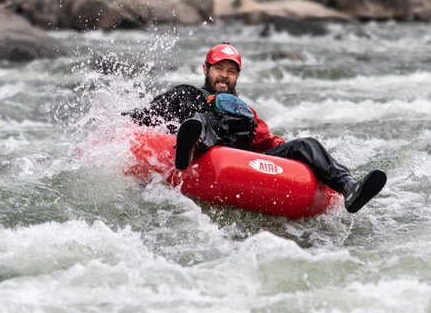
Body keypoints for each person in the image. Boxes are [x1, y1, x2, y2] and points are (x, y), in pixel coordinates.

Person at [126, 43, 386, 213]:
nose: (225, 75)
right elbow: (141, 118)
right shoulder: (184, 95)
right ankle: (190, 144)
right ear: (206, 68)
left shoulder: (245, 112)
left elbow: (269, 143)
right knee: (201, 121)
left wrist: (300, 160)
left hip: (240, 163)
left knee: (307, 145)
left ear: (237, 76)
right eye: (219, 69)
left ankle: (350, 187)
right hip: (203, 151)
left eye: (231, 71)